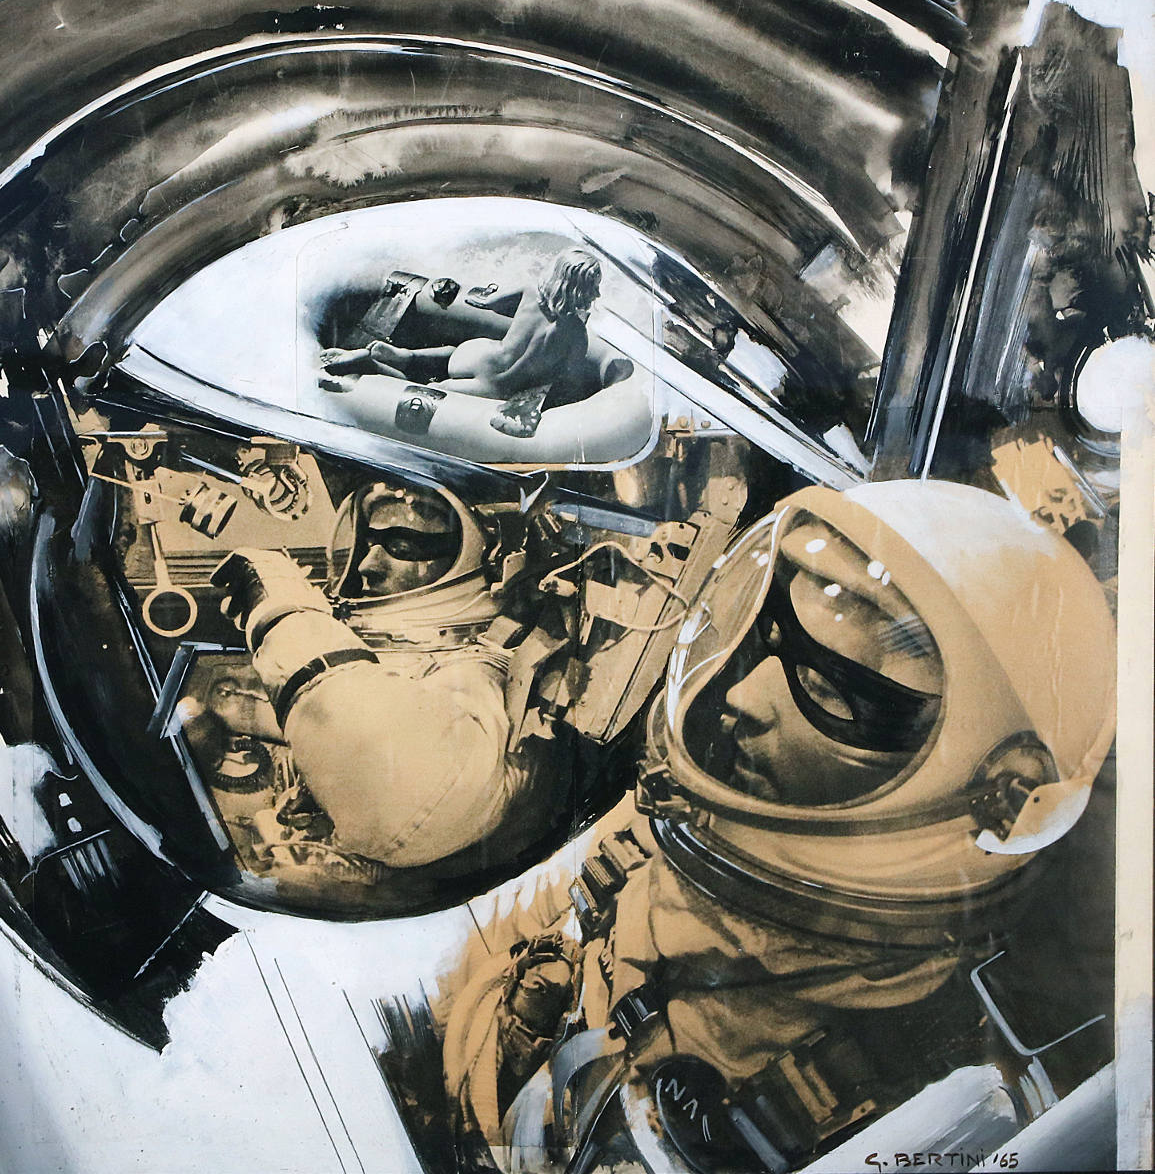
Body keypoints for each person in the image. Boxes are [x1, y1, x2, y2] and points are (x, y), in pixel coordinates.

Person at [436, 479, 1117, 1171]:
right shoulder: (674, 815)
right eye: (770, 644)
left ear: (1003, 791)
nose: (742, 696)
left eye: (830, 688)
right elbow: (467, 957)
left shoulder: (950, 1105)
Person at [209, 483, 556, 870]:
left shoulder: (488, 671)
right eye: (368, 543)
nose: (366, 565)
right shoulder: (369, 667)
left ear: (486, 560)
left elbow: (415, 808)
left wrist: (286, 618)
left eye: (403, 546)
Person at [320, 248, 605, 435]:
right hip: (493, 387)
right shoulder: (577, 335)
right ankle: (370, 364)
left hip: (479, 355)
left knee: (452, 353)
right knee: (430, 392)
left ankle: (405, 355)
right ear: (586, 291)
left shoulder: (529, 292)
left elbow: (489, 303)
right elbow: (569, 384)